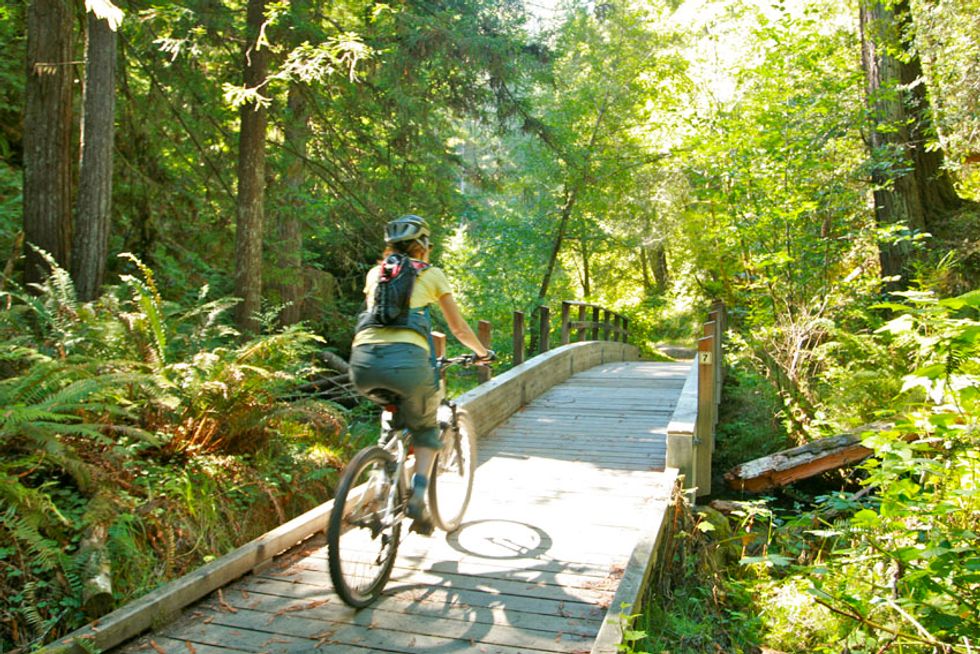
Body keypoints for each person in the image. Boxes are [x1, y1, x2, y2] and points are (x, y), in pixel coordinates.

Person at [348, 214, 492, 534]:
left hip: (362, 362)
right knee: (426, 430)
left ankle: (384, 472)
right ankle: (417, 498)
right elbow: (457, 328)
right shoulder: (432, 274)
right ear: (423, 245)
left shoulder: (375, 274)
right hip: (409, 365)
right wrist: (481, 353)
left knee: (390, 413)